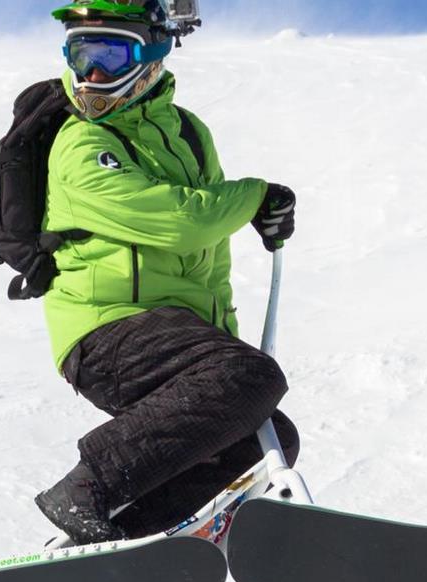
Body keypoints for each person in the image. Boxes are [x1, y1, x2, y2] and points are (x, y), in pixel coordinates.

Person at [33, 0, 302, 545]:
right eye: (81, 55)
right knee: (252, 381)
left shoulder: (188, 133)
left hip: (171, 330)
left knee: (265, 438)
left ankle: (124, 538)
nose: (93, 75)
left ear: (154, 51)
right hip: (105, 331)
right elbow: (179, 221)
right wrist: (252, 199)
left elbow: (207, 253)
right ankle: (87, 487)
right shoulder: (82, 142)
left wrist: (221, 346)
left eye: (111, 54)